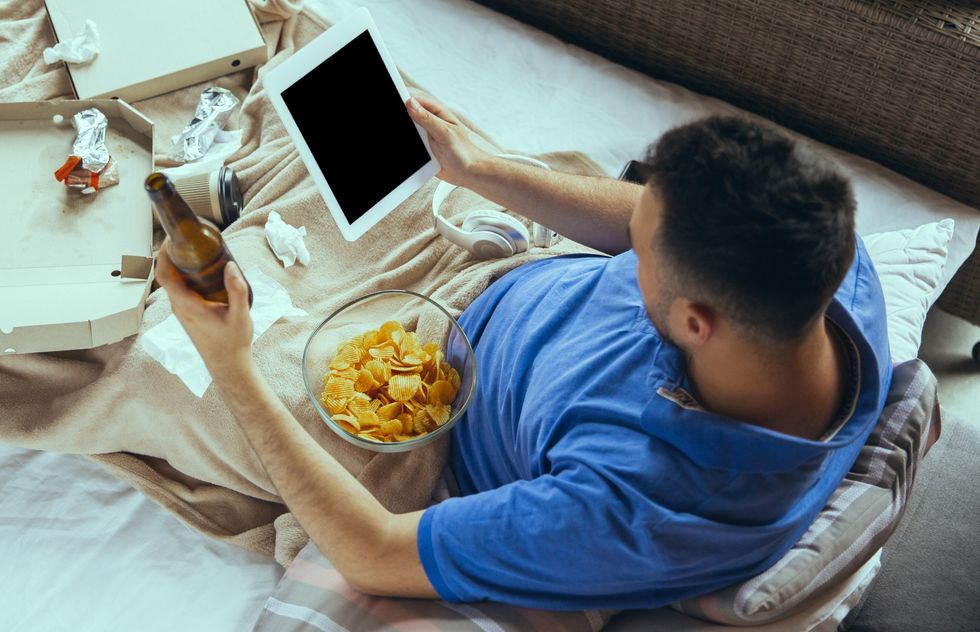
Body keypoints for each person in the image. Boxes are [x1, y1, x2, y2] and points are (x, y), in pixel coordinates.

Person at [155, 94, 892, 610]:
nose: (632, 238)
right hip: (491, 261)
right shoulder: (820, 257)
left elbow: (375, 549)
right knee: (308, 127)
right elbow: (649, 216)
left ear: (697, 323)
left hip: (423, 429)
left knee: (148, 359)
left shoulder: (636, 510)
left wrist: (231, 367)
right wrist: (481, 169)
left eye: (640, 252)